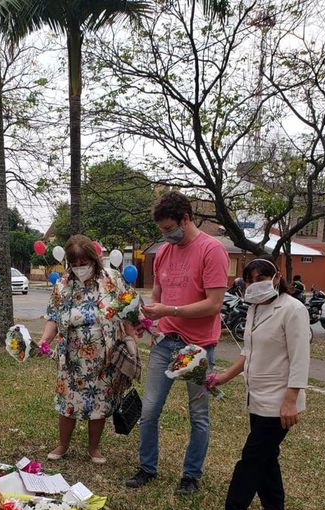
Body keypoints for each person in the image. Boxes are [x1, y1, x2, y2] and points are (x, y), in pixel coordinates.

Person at [125, 191, 229, 494]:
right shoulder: (165, 253)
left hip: (198, 348)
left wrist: (170, 310)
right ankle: (147, 468)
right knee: (149, 411)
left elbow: (213, 304)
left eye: (170, 228)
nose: (166, 235)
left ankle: (191, 475)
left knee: (198, 415)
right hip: (165, 342)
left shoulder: (212, 250)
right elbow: (158, 294)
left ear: (186, 218)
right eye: (162, 230)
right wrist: (149, 321)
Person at [213, 258, 310, 510]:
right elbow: (249, 352)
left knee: (252, 456)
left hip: (280, 400)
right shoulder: (254, 309)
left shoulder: (293, 310)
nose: (256, 284)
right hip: (256, 396)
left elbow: (300, 358)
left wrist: (291, 401)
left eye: (262, 277)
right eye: (251, 279)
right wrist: (224, 377)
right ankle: (274, 509)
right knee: (267, 454)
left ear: (277, 277)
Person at [38, 234, 135, 464]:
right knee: (67, 403)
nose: (80, 268)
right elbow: (53, 317)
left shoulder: (112, 279)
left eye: (85, 263)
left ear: (94, 259)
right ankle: (62, 445)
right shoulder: (62, 285)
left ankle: (94, 449)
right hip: (71, 357)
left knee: (99, 403)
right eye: (75, 264)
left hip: (104, 357)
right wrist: (44, 341)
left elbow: (127, 310)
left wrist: (131, 339)